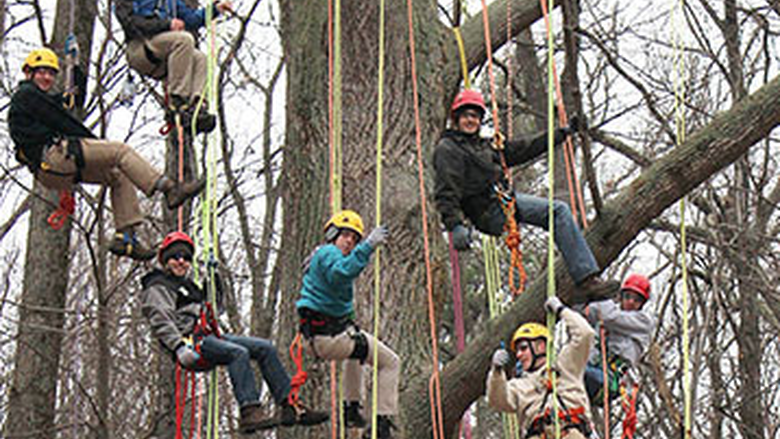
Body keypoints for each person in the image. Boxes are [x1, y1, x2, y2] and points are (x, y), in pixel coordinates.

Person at [8, 48, 205, 261]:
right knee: (119, 152)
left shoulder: (37, 100)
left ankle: (126, 236)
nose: (47, 77)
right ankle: (169, 188)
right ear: (29, 73)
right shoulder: (26, 95)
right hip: (53, 158)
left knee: (118, 174)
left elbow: (70, 101)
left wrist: (77, 71)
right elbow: (62, 120)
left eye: (50, 73)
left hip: (50, 170)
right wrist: (96, 143)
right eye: (41, 72)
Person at [140, 231, 329, 433]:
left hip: (207, 335)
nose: (182, 261)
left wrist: (214, 282)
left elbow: (214, 308)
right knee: (238, 353)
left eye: (186, 258)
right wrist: (178, 347)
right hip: (190, 342)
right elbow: (160, 319)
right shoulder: (158, 285)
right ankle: (250, 411)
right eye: (176, 257)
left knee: (265, 348)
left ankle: (289, 405)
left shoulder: (187, 287)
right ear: (166, 259)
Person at [433, 89, 609, 296]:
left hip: (503, 201)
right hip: (488, 211)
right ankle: (586, 279)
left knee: (558, 212)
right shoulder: (449, 148)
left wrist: (564, 133)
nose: (470, 120)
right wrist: (454, 224)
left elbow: (526, 148)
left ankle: (586, 277)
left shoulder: (486, 147)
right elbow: (446, 191)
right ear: (456, 119)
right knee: (557, 211)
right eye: (465, 116)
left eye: (475, 116)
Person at [296, 210, 399, 439]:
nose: (350, 242)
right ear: (333, 234)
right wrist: (368, 246)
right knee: (391, 362)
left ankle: (351, 408)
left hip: (319, 338)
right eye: (345, 235)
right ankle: (382, 422)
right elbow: (340, 274)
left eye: (354, 239)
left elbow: (336, 290)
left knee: (357, 348)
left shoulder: (320, 257)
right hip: (327, 337)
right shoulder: (328, 252)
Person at [114, 0, 233, 133]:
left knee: (200, 59)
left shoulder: (170, 2)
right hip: (139, 47)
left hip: (162, 53)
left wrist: (215, 10)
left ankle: (196, 105)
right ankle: (177, 100)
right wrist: (166, 24)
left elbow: (192, 19)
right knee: (184, 40)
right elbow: (128, 22)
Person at [488, 297, 595, 439]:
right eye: (518, 351)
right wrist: (496, 372)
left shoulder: (566, 364)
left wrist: (561, 310)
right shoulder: (519, 386)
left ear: (541, 346)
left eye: (523, 348)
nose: (519, 355)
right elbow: (497, 400)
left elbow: (585, 334)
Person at [582, 273, 655, 402]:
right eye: (628, 296)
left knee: (581, 374)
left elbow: (610, 317)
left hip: (609, 379)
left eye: (636, 299)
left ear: (642, 304)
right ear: (621, 297)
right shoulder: (608, 310)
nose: (631, 302)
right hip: (592, 367)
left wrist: (601, 297)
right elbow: (585, 314)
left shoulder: (643, 322)